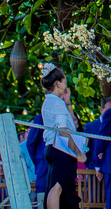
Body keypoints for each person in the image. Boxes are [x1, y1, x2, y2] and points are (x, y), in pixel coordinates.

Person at [41, 63, 87, 209]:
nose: (66, 85)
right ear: (58, 83)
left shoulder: (50, 101)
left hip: (53, 147)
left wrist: (67, 103)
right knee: (57, 186)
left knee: (59, 186)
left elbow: (72, 125)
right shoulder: (56, 103)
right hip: (61, 149)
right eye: (64, 81)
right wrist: (78, 153)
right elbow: (63, 131)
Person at [27, 110, 50, 209]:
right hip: (44, 163)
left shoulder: (65, 116)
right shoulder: (41, 118)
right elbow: (30, 143)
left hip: (60, 164)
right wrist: (39, 161)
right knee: (42, 193)